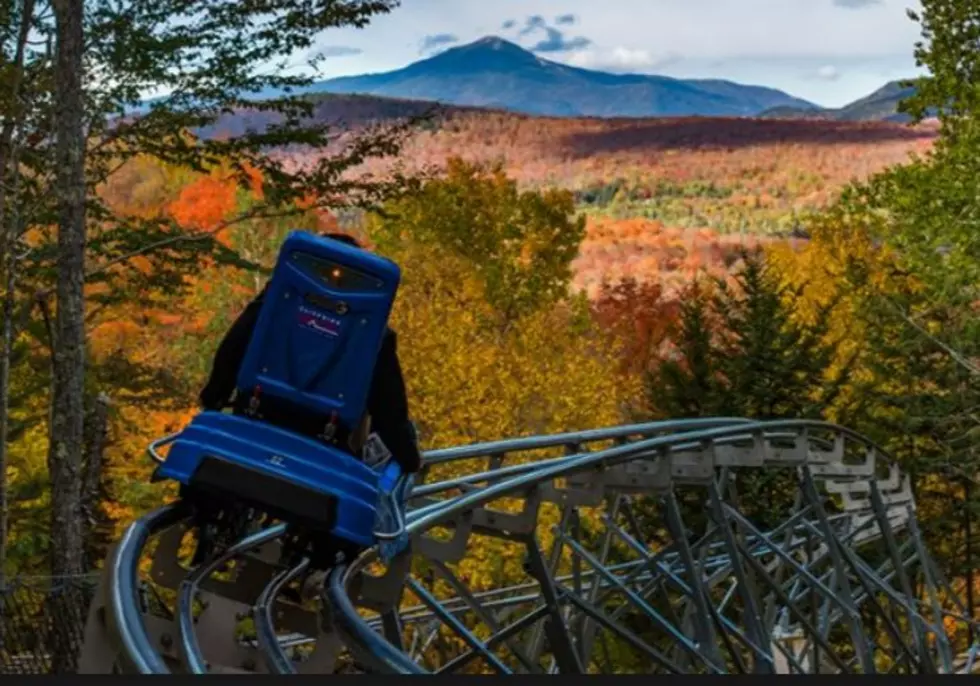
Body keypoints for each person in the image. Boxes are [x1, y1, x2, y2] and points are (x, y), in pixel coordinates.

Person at [198, 232, 423, 475]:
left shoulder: (274, 304)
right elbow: (389, 412)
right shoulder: (374, 335)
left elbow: (232, 350)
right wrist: (410, 460)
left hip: (254, 420)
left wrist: (213, 399)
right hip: (325, 449)